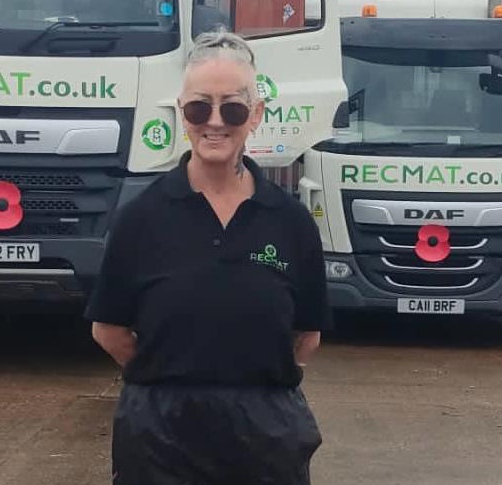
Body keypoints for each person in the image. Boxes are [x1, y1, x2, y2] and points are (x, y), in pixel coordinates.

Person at [86, 30, 332, 485]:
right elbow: (109, 329)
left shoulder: (291, 221)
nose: (215, 122)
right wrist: (167, 381)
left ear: (255, 115)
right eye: (200, 107)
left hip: (267, 435)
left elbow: (307, 336)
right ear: (182, 112)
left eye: (232, 108)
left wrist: (254, 390)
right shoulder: (141, 217)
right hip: (159, 436)